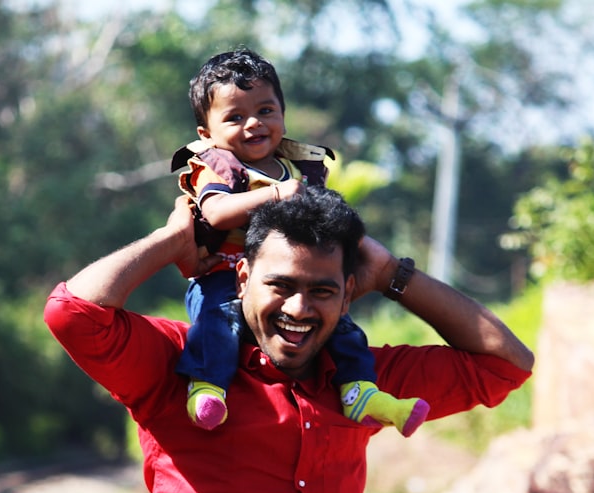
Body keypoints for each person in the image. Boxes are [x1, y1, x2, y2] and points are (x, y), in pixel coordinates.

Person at [44, 187, 534, 493]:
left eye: (321, 291)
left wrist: (390, 274)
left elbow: (506, 363)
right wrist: (175, 240)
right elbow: (72, 315)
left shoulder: (364, 387)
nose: (299, 309)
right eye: (280, 285)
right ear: (242, 279)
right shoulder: (179, 367)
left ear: (346, 299)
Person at [170, 48, 428, 434]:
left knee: (342, 326)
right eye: (235, 117)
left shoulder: (297, 166)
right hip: (223, 271)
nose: (253, 124)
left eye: (266, 111)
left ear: (283, 114)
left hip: (293, 276)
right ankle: (208, 387)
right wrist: (275, 195)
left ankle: (359, 390)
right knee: (216, 321)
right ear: (207, 134)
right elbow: (217, 213)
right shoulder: (216, 166)